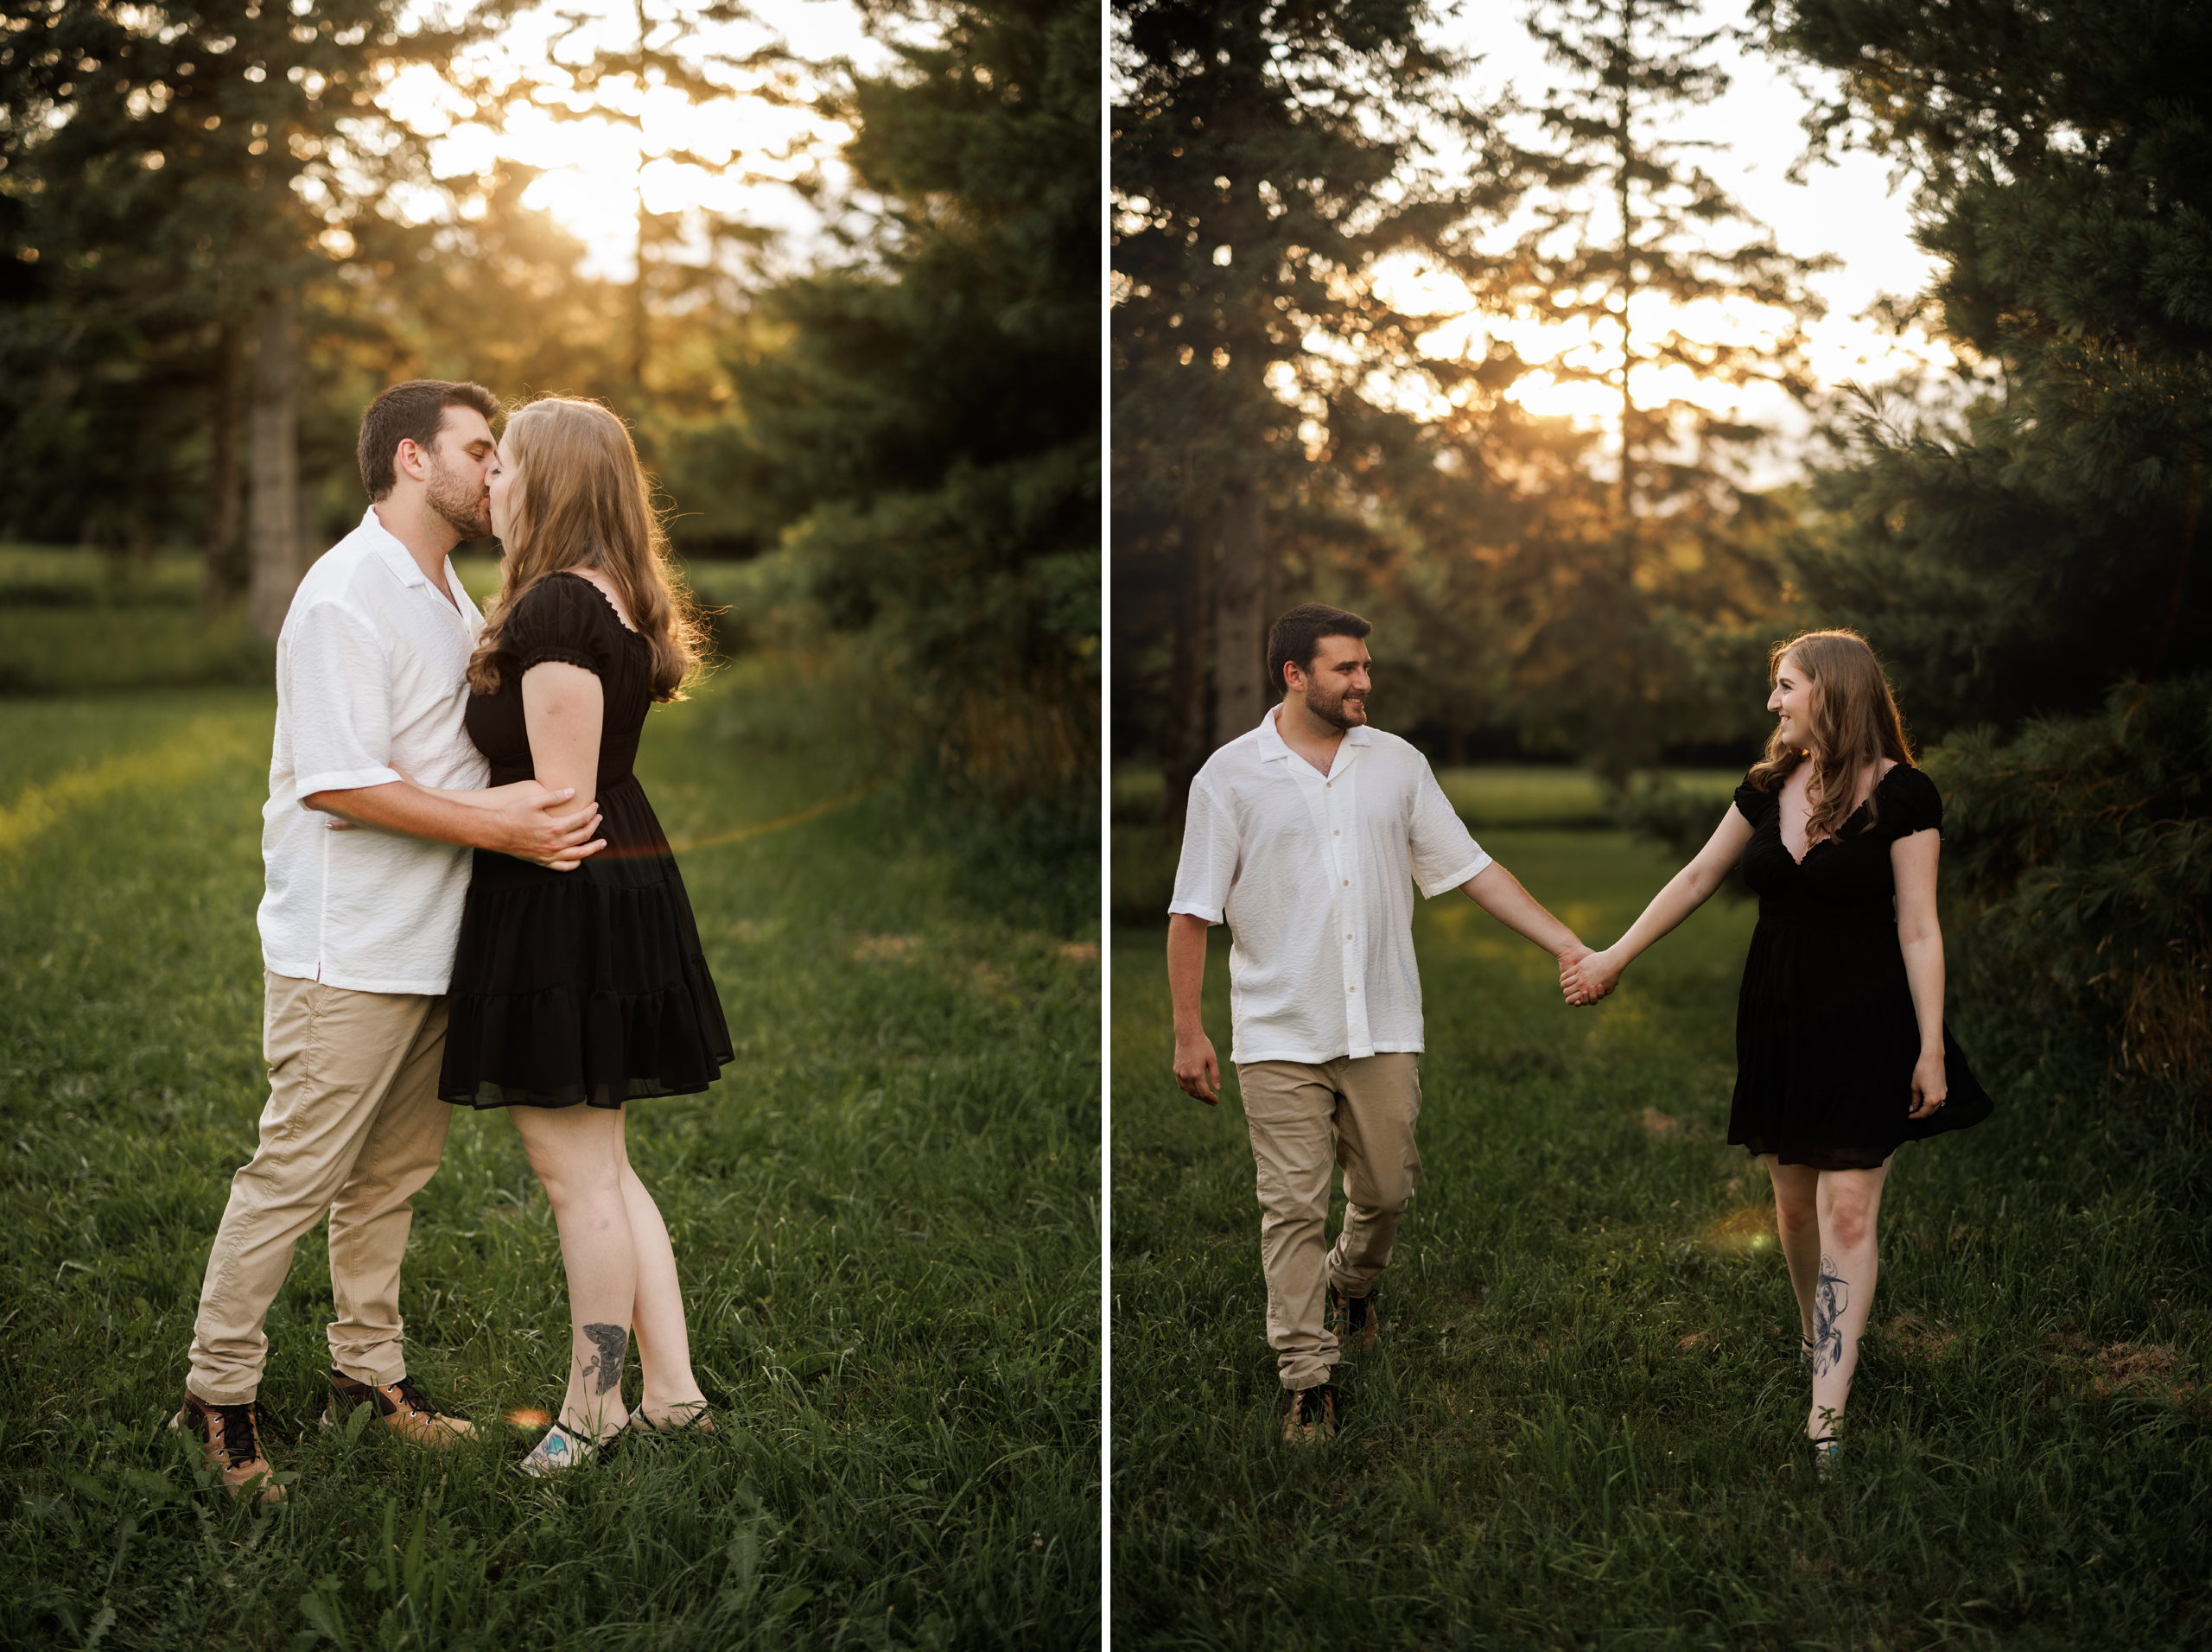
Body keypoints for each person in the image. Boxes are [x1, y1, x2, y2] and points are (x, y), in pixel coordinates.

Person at [175, 381, 610, 1503]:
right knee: (295, 1173)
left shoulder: (449, 591)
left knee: (393, 1179)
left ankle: (368, 1376)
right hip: (347, 951)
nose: (495, 469)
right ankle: (216, 1395)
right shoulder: (344, 595)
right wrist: (501, 824)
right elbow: (335, 781)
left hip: (436, 944)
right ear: (413, 459)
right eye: (479, 449)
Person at [392, 396, 733, 1474]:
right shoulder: (609, 598)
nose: (489, 480)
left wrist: (397, 799)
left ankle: (594, 1408)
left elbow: (558, 801)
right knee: (605, 1167)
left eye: (506, 464)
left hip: (564, 894)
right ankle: (674, 1395)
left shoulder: (551, 611)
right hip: (600, 880)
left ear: (550, 482)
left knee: (574, 1176)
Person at [1560, 629, 1993, 1471]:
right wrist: (1613, 955)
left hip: (1869, 1023)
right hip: (1777, 1020)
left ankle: (1825, 1412)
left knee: (1844, 1211)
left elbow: (1918, 926)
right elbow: (1695, 877)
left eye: (1785, 685)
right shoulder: (1767, 785)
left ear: (1831, 690)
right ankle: (1812, 1336)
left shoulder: (1906, 795)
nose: (1772, 702)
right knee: (1792, 1208)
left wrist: (1931, 1046)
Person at [1168, 603, 1593, 1444]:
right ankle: (1306, 1374)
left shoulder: (1396, 764)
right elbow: (1190, 913)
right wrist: (1189, 1032)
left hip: (1383, 1024)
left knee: (1387, 1191)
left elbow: (1471, 869)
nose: (1365, 680)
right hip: (1278, 1030)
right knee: (1291, 1206)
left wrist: (1566, 943)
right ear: (1294, 675)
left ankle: (1352, 1282)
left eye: (1365, 665)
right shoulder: (1228, 775)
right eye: (1345, 668)